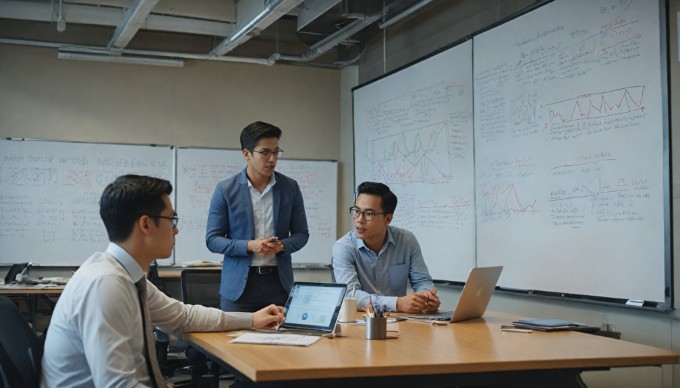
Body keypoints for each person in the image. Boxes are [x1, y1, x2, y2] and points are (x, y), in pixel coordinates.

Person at [41, 175, 284, 387]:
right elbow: (117, 385)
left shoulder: (126, 276)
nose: (176, 230)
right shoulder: (107, 285)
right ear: (146, 224)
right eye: (172, 220)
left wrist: (252, 319)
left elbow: (183, 316)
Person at [206, 121, 309, 312]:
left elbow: (302, 233)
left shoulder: (290, 188)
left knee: (281, 340)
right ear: (247, 154)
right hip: (239, 289)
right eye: (265, 152)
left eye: (276, 152)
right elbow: (212, 240)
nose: (272, 159)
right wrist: (250, 246)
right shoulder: (225, 189)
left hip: (278, 284)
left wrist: (283, 246)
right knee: (233, 341)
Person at [332, 181, 440, 314]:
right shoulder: (343, 247)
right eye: (356, 211)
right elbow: (350, 295)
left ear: (388, 219)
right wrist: (397, 304)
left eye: (369, 214)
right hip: (360, 322)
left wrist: (426, 296)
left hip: (401, 323)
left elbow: (422, 280)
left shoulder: (407, 240)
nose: (359, 219)